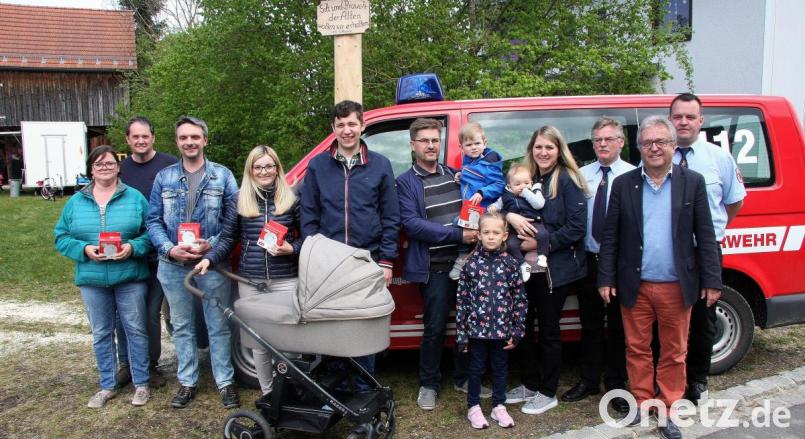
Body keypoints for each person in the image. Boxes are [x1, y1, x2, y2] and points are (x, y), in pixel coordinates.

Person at [598, 116, 721, 439]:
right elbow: (611, 237)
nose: (654, 148)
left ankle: (668, 408)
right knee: (636, 348)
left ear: (672, 145)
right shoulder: (624, 184)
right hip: (634, 285)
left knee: (674, 351)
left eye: (660, 142)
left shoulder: (691, 182)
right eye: (647, 143)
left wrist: (711, 281)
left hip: (677, 286)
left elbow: (705, 235)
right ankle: (640, 401)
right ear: (638, 147)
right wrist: (606, 278)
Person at [300, 100, 400, 387]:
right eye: (341, 124)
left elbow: (391, 216)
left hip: (366, 260)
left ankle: (364, 389)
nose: (347, 130)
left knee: (362, 328)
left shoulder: (380, 164)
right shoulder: (318, 165)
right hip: (329, 263)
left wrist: (386, 261)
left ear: (362, 126)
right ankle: (334, 390)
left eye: (352, 124)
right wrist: (314, 254)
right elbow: (309, 214)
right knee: (330, 327)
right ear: (333, 128)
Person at [146, 116, 241, 409]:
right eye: (184, 137)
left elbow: (232, 223)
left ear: (205, 140)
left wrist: (210, 246)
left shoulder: (223, 176)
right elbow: (152, 220)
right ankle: (187, 382)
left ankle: (225, 382)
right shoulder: (164, 178)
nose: (190, 142)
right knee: (181, 325)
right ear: (177, 141)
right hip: (173, 265)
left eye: (195, 137)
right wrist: (169, 249)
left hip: (211, 265)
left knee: (218, 325)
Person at [195, 145, 302, 396]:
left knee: (290, 343)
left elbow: (307, 239)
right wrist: (209, 259)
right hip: (251, 281)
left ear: (277, 168)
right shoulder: (238, 199)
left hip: (285, 280)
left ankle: (291, 393)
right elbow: (228, 239)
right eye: (258, 167)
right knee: (259, 343)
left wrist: (290, 248)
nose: (264, 171)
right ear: (250, 171)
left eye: (269, 166)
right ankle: (268, 396)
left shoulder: (292, 198)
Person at [396, 117, 486, 411]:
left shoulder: (455, 175)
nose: (431, 145)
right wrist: (458, 233)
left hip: (468, 264)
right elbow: (412, 225)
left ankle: (463, 378)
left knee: (469, 325)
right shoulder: (405, 183)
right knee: (434, 329)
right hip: (435, 267)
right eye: (424, 140)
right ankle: (429, 384)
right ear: (413, 145)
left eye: (435, 140)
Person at [54, 145, 153, 407]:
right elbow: (61, 237)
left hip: (129, 276)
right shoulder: (75, 202)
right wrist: (84, 249)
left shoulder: (134, 198)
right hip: (92, 278)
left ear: (118, 166)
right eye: (99, 164)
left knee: (136, 330)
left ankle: (141, 383)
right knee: (101, 332)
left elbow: (151, 233)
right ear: (91, 169)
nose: (105, 168)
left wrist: (132, 248)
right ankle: (108, 384)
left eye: (109, 163)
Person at [503, 125, 589, 415]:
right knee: (524, 326)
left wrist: (540, 244)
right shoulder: (528, 178)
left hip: (555, 270)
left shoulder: (568, 180)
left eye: (549, 147)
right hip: (526, 271)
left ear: (559, 149)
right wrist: (510, 215)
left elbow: (576, 229)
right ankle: (529, 383)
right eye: (538, 147)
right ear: (531, 150)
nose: (543, 152)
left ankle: (548, 391)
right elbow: (504, 203)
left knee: (549, 330)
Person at [669, 93, 746, 403]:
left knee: (703, 318)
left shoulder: (719, 158)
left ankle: (698, 379)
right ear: (670, 119)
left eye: (690, 117)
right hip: (668, 251)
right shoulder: (658, 154)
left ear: (701, 121)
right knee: (670, 316)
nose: (684, 122)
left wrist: (712, 231)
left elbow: (734, 200)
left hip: (704, 250)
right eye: (678, 116)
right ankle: (671, 378)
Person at [562, 118, 635, 413]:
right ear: (592, 144)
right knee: (590, 324)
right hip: (589, 261)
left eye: (609, 138)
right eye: (598, 140)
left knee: (619, 327)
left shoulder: (634, 175)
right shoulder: (581, 175)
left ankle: (617, 385)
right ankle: (589, 379)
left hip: (619, 264)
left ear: (620, 142)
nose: (603, 144)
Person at [115, 116, 178, 389]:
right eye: (135, 137)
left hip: (160, 253)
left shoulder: (169, 166)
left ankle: (149, 365)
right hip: (128, 254)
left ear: (153, 137)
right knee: (124, 313)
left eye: (145, 136)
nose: (140, 141)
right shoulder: (119, 170)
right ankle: (127, 365)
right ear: (128, 140)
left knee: (151, 312)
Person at [456, 211, 527, 429]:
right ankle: (473, 407)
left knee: (500, 368)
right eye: (486, 232)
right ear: (478, 235)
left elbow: (520, 299)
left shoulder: (511, 265)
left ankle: (498, 406)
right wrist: (462, 334)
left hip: (502, 331)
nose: (491, 236)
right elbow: (462, 299)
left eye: (496, 232)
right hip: (477, 331)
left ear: (504, 236)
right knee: (476, 369)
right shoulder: (471, 264)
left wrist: (517, 330)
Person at [449, 122, 505, 280]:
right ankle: (468, 261)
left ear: (485, 143)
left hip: (484, 211)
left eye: (477, 143)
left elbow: (499, 184)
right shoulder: (468, 162)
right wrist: (461, 175)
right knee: (463, 229)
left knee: (456, 223)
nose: (473, 147)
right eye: (469, 144)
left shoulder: (489, 164)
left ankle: (462, 258)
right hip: (471, 210)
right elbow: (473, 177)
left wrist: (482, 192)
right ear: (462, 147)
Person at [495, 163, 548, 281]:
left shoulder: (533, 192)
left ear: (531, 183)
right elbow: (497, 207)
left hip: (534, 222)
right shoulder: (506, 196)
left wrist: (526, 192)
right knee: (510, 245)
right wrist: (492, 208)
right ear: (509, 186)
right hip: (516, 229)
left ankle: (542, 255)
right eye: (518, 184)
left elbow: (539, 205)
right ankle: (523, 264)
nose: (522, 187)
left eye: (526, 183)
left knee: (543, 235)